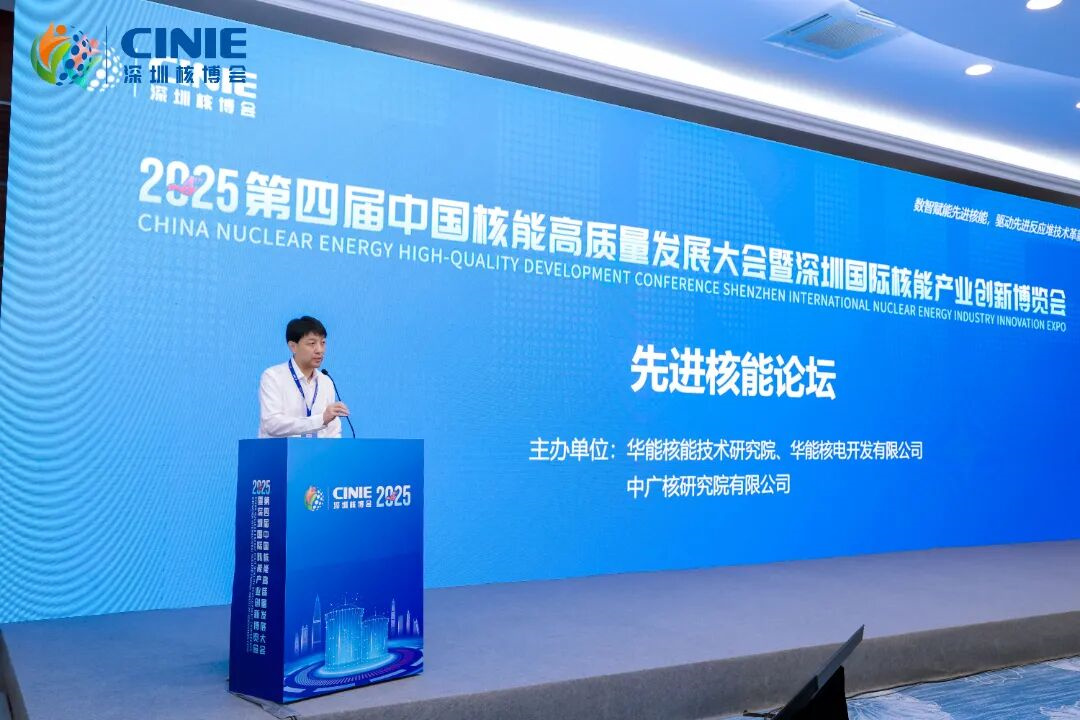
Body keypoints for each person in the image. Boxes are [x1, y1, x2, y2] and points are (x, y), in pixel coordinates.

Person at [258, 316, 349, 438]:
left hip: (317, 450)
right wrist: (320, 420)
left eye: (323, 343)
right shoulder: (273, 377)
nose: (319, 350)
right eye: (312, 343)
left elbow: (332, 431)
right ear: (293, 346)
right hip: (279, 450)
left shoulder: (326, 382)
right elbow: (272, 425)